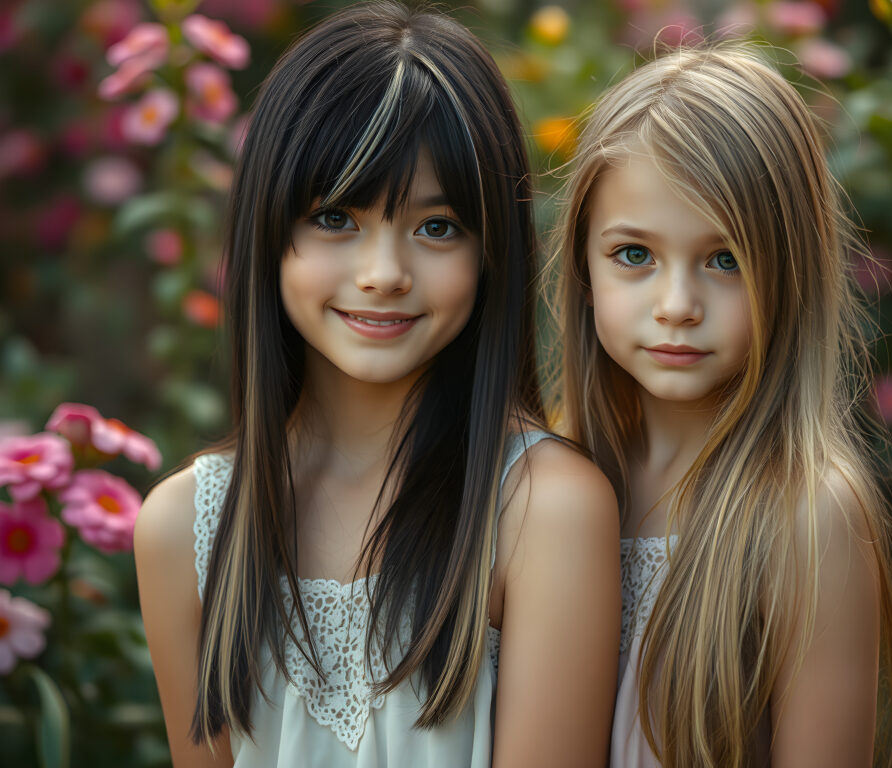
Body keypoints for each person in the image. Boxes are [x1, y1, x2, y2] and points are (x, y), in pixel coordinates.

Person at [134, 4, 621, 766]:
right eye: (336, 217)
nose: (384, 275)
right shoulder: (183, 531)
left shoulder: (542, 510)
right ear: (269, 233)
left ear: (493, 249)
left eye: (436, 228)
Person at [549, 43, 892, 768]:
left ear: (792, 269)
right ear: (582, 266)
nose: (677, 306)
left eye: (725, 260)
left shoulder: (807, 517)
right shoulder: (545, 478)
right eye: (634, 255)